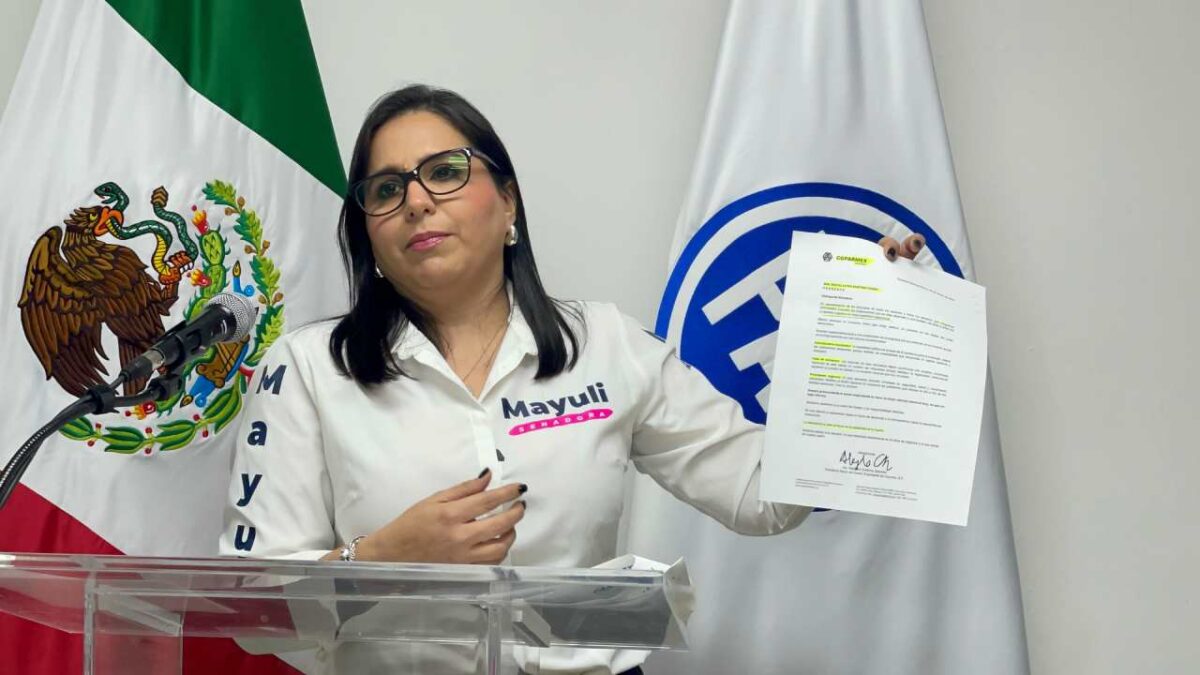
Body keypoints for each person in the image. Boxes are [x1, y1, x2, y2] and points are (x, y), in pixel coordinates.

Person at [219, 84, 927, 674]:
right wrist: (380, 558)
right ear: (367, 233)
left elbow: (764, 496)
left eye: (444, 171)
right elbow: (250, 610)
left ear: (508, 205)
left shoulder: (606, 345)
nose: (415, 200)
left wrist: (862, 331)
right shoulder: (308, 369)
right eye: (385, 187)